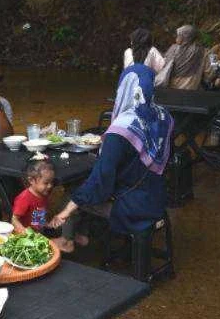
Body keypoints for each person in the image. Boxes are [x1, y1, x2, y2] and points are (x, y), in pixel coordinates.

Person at [50, 64, 173, 236]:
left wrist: (66, 211)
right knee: (88, 190)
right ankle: (83, 236)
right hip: (157, 199)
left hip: (132, 208)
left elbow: (101, 178)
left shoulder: (121, 129)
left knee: (71, 195)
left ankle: (67, 241)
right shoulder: (164, 117)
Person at [12, 158, 89, 253]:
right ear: (31, 180)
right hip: (27, 237)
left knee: (68, 216)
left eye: (51, 182)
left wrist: (47, 224)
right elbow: (14, 219)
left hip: (39, 231)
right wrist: (24, 232)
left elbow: (37, 215)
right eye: (46, 183)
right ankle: (63, 242)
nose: (50, 186)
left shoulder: (42, 194)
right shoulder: (24, 198)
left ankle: (70, 238)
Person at [159, 24, 209, 90]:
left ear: (185, 37)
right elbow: (208, 72)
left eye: (179, 35)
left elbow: (163, 66)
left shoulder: (174, 49)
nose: (177, 37)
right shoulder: (202, 51)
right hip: (192, 87)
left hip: (172, 87)